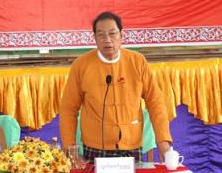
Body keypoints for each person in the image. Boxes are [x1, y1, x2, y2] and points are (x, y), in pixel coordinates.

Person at [59, 11, 172, 164]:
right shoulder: (81, 65)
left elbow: (155, 102)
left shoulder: (137, 62)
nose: (107, 40)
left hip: (131, 144)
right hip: (95, 147)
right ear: (94, 38)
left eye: (112, 34)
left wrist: (163, 141)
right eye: (101, 35)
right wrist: (69, 146)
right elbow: (68, 108)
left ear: (121, 35)